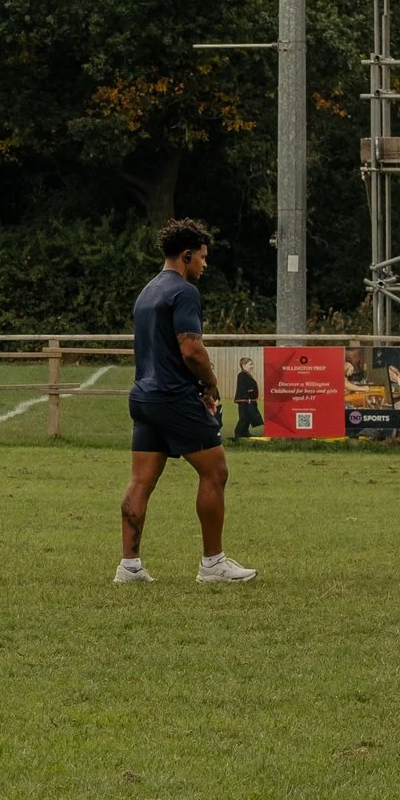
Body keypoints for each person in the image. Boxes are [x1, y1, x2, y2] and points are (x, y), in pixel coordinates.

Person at [115, 219, 256, 585]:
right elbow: (191, 348)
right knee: (216, 471)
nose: (205, 265)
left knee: (140, 481)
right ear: (187, 255)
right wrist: (210, 384)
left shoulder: (147, 292)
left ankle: (129, 566)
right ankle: (213, 564)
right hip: (173, 397)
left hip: (143, 397)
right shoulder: (183, 291)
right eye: (203, 258)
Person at [232, 357, 262, 440]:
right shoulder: (241, 375)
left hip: (248, 400)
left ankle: (245, 432)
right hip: (244, 400)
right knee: (244, 417)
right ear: (243, 365)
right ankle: (238, 433)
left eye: (252, 364)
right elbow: (242, 387)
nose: (252, 366)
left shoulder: (247, 375)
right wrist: (247, 398)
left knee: (248, 417)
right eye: (250, 364)